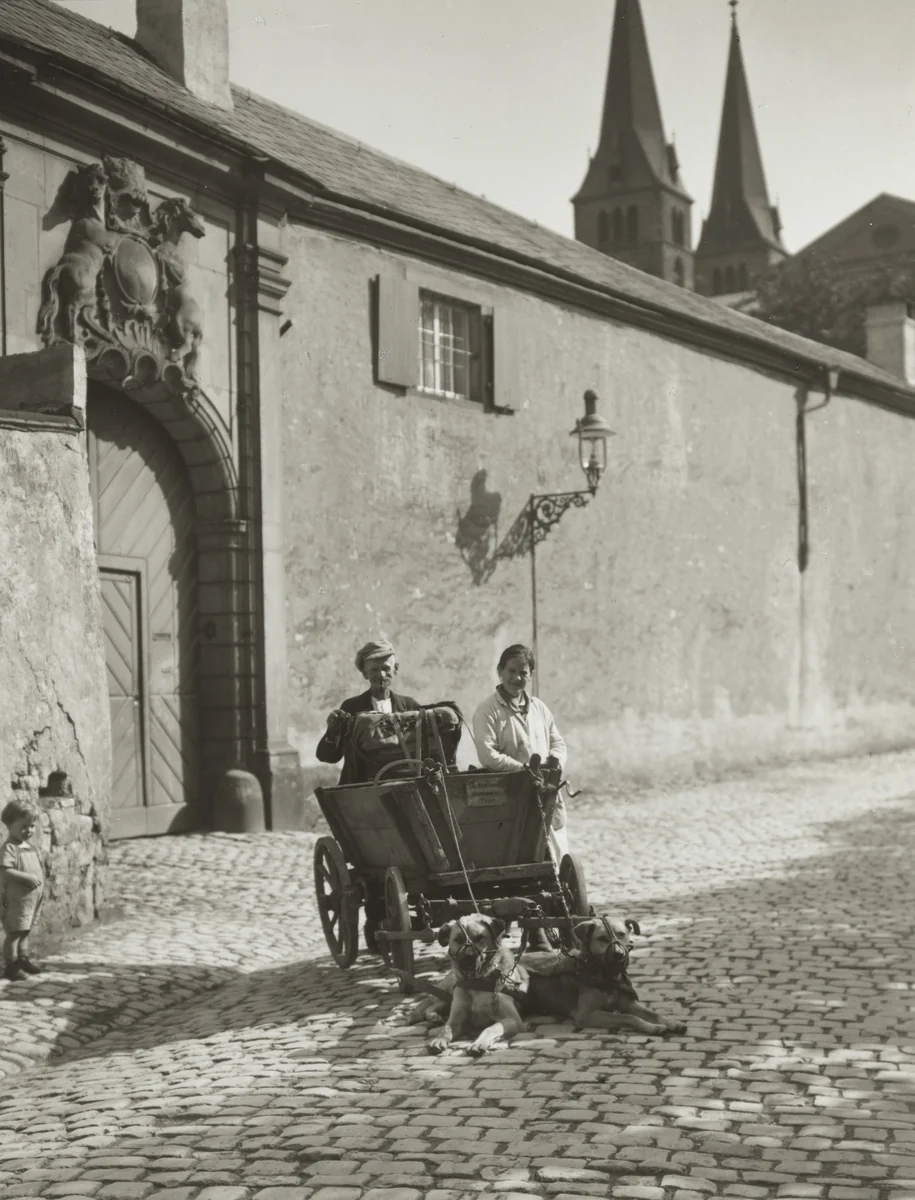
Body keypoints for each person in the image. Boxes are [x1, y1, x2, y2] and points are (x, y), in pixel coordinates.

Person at [316, 639, 421, 953]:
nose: (381, 675)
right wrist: (334, 730)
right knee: (375, 855)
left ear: (396, 670)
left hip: (405, 792)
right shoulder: (351, 709)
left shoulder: (411, 706)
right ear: (364, 673)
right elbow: (327, 755)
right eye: (374, 670)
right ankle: (376, 919)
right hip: (365, 794)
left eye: (386, 668)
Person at [471, 644, 570, 861]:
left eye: (523, 673)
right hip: (511, 793)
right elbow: (488, 755)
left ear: (531, 675)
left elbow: (558, 742)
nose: (516, 678)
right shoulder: (487, 711)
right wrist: (524, 771)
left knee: (557, 854)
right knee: (520, 851)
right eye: (511, 671)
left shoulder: (539, 708)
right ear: (500, 671)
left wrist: (555, 762)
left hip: (546, 791)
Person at [0, 799, 45, 982]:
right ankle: (11, 965)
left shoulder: (31, 847)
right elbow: (5, 870)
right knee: (14, 932)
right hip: (17, 899)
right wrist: (26, 878)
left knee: (26, 930)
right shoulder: (10, 847)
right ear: (10, 824)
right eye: (24, 826)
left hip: (32, 899)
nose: (29, 830)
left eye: (32, 826)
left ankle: (23, 958)